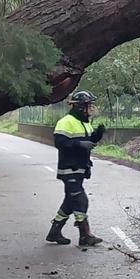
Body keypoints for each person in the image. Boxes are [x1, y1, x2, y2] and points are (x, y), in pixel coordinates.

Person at [45, 90, 107, 247]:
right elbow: (60, 143)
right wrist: (79, 144)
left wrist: (97, 136)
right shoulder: (65, 122)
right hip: (69, 169)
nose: (91, 109)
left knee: (70, 202)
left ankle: (54, 232)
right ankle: (85, 235)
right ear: (80, 107)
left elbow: (88, 141)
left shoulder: (85, 122)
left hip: (80, 168)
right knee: (80, 200)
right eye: (88, 106)